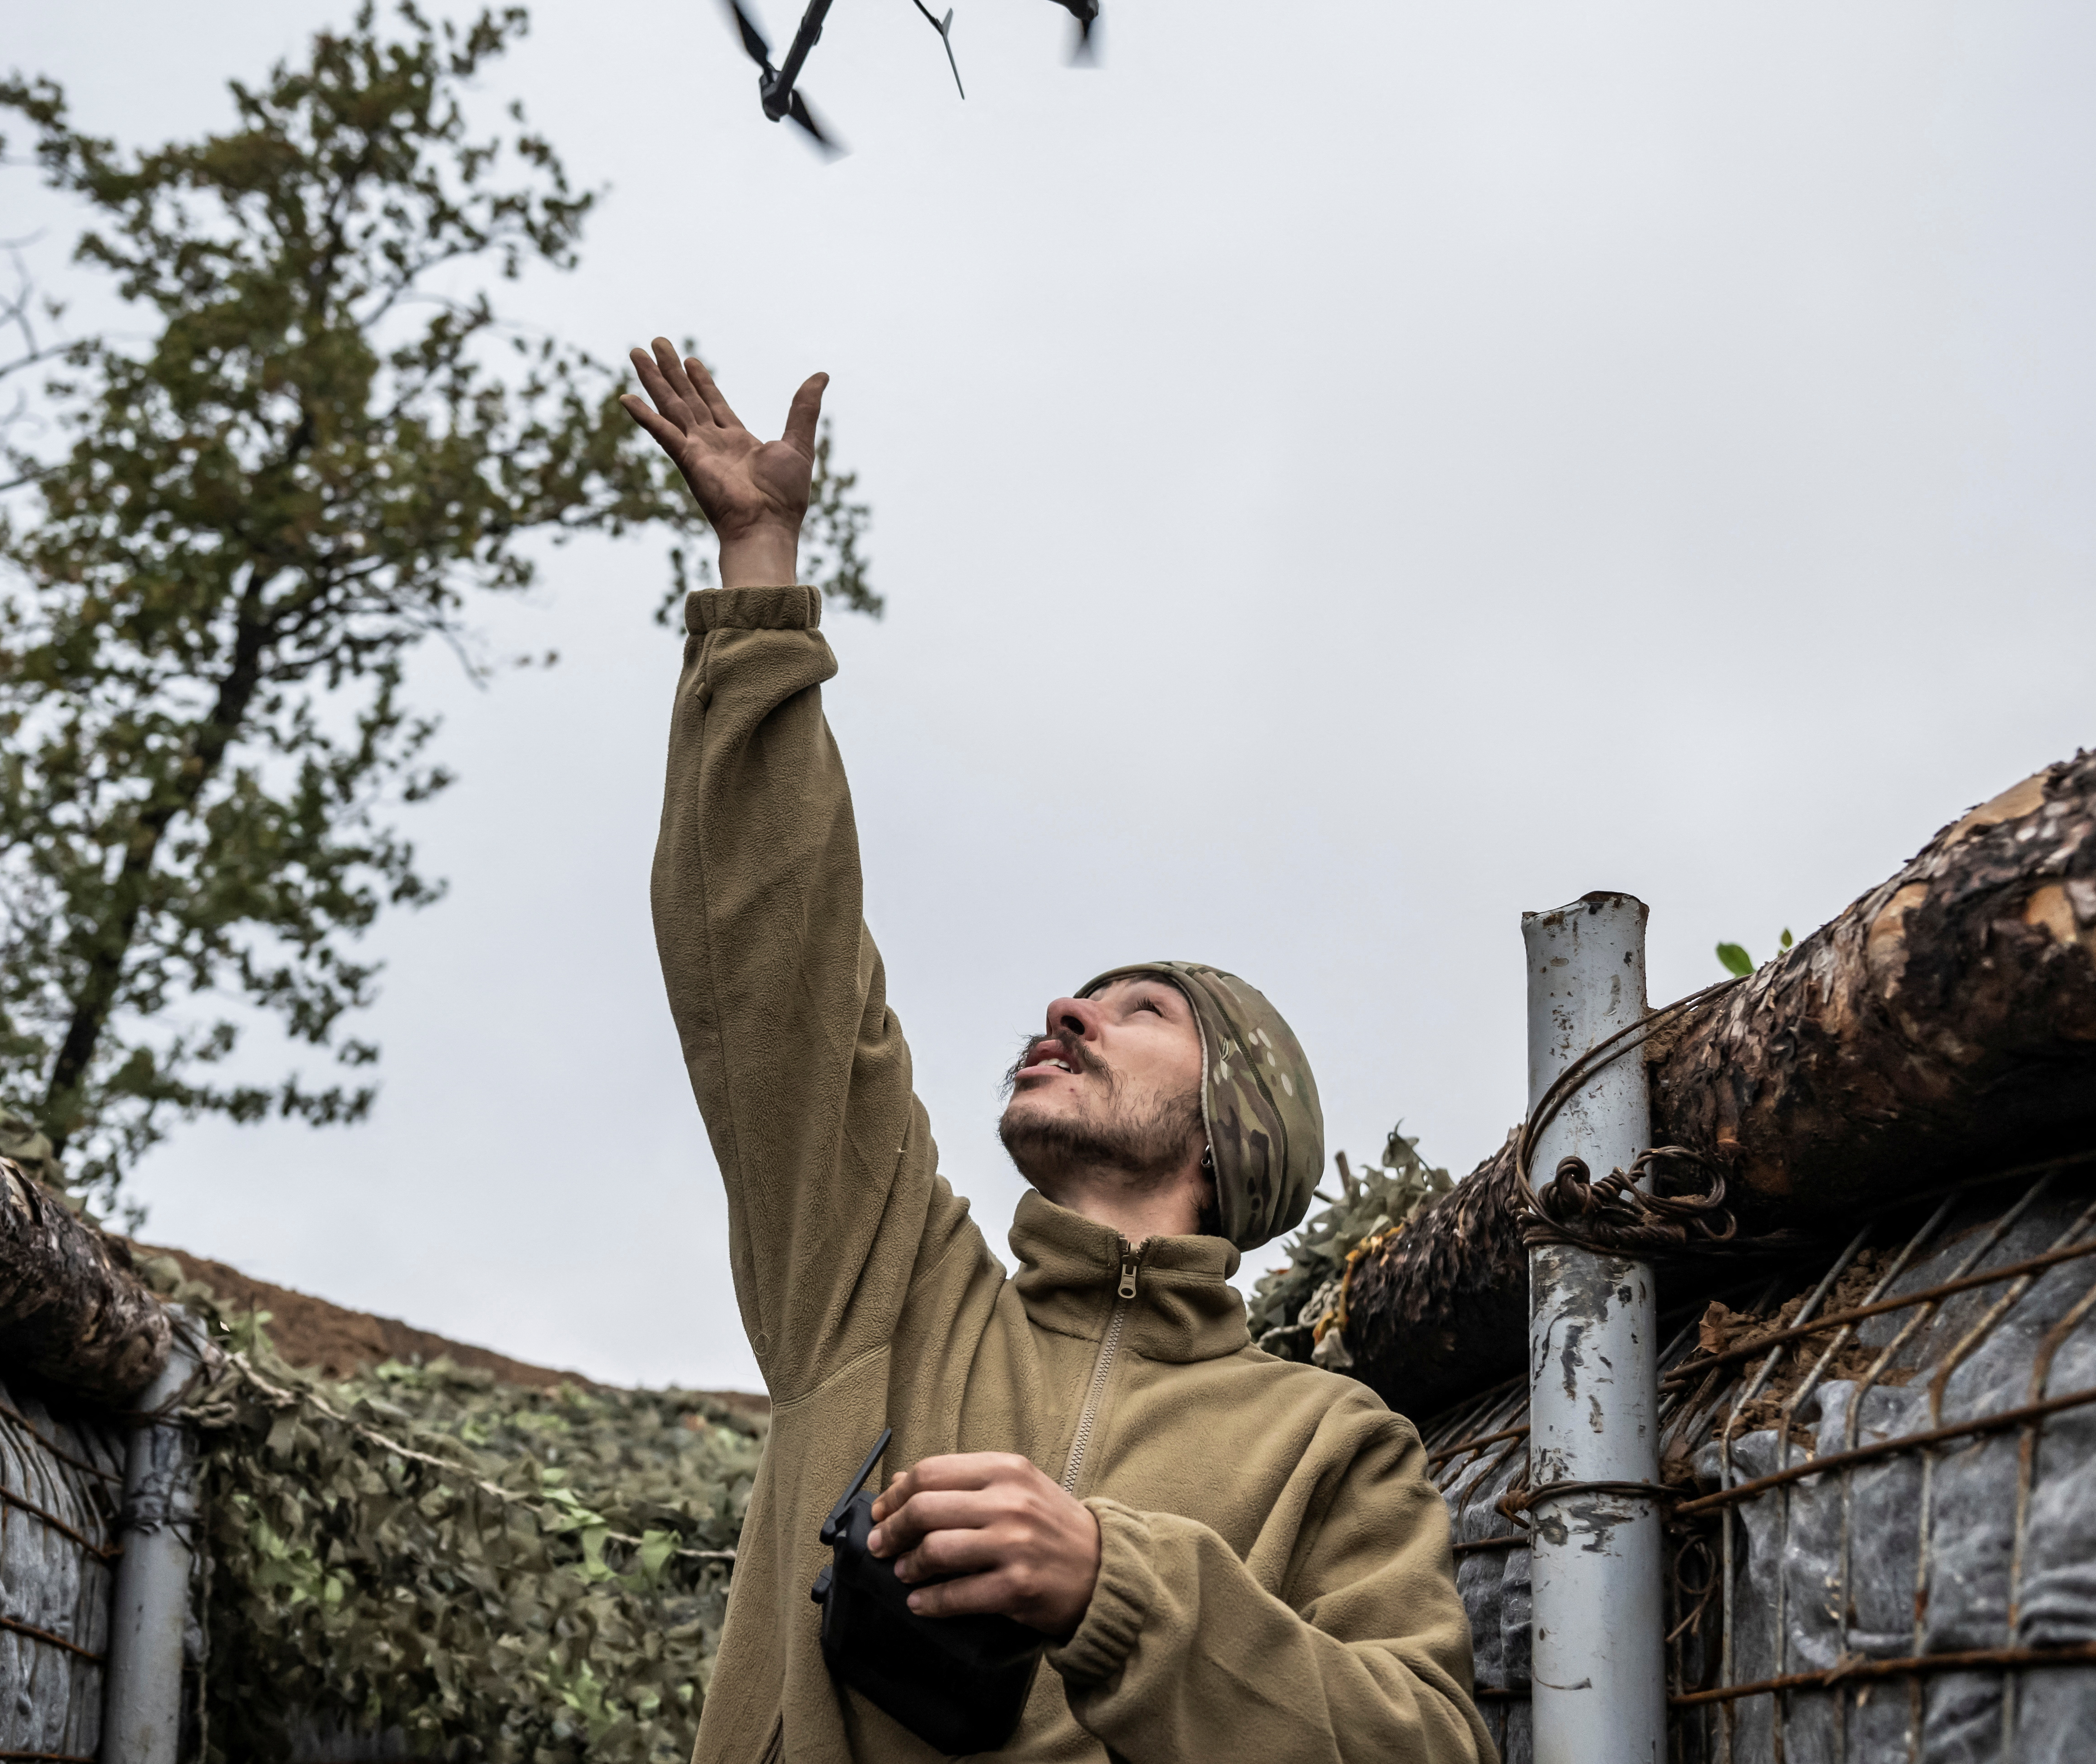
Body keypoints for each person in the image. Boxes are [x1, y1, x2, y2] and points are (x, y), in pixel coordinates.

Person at [624, 340, 1495, 1764]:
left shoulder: (1330, 1444)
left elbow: (1422, 1749)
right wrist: (758, 573)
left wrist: (1113, 1586)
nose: (1068, 1013)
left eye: (1142, 1011)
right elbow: (778, 972)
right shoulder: (881, 1289)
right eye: (1077, 1002)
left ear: (1231, 1126)